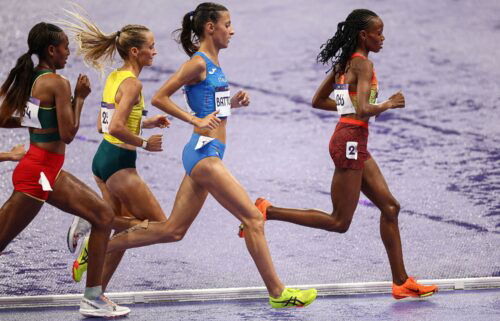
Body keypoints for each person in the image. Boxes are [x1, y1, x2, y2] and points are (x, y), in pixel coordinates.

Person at [105, 2, 317, 308]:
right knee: (253, 218)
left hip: (206, 152)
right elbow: (159, 97)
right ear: (210, 27)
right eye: (227, 24)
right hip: (203, 155)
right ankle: (278, 293)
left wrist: (233, 103)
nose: (232, 30)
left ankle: (99, 246)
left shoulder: (213, 64)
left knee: (173, 230)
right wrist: (194, 121)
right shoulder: (198, 63)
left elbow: (209, 107)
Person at [239, 8, 437, 300]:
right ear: (363, 35)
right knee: (339, 222)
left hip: (352, 139)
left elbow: (319, 101)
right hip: (350, 143)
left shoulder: (346, 63)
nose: (383, 38)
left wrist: (354, 108)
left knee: (390, 208)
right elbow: (365, 109)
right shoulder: (363, 66)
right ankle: (268, 210)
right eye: (378, 33)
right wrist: (388, 103)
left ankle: (401, 282)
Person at [0, 22, 129, 317]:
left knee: (102, 215)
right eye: (65, 48)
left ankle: (94, 296)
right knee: (103, 216)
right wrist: (80, 98)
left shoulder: (31, 79)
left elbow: (4, 118)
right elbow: (69, 134)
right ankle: (93, 298)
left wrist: (35, 123)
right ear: (51, 50)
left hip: (40, 169)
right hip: (40, 174)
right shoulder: (59, 84)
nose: (68, 53)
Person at [61, 13, 171, 292]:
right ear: (136, 51)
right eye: (151, 46)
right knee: (161, 225)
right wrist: (146, 143)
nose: (155, 51)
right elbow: (118, 126)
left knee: (124, 229)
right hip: (120, 164)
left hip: (104, 158)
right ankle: (91, 221)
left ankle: (96, 294)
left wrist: (147, 122)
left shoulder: (116, 77)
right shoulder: (133, 83)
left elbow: (103, 125)